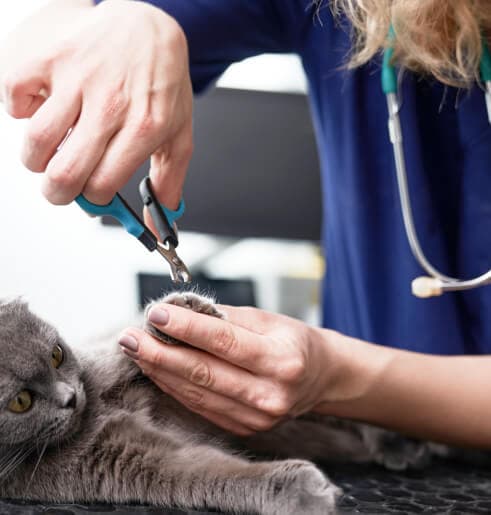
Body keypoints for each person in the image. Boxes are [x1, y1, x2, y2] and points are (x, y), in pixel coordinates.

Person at [2, 0, 491, 447]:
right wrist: (129, 24)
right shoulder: (340, 7)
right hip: (360, 456)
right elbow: (34, 46)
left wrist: (341, 378)